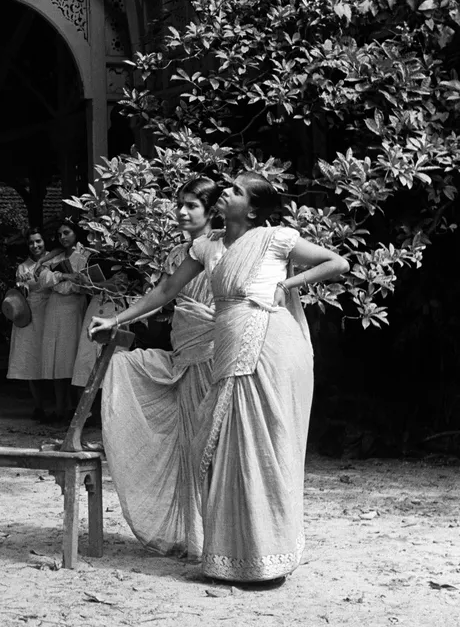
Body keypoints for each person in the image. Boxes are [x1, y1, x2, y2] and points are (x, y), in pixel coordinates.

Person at [92, 171, 349, 584]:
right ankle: (232, 556)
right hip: (229, 348)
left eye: (234, 191)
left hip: (271, 346)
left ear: (250, 208)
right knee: (219, 447)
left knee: (262, 442)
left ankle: (269, 557)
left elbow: (337, 262)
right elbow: (165, 291)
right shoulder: (206, 245)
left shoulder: (276, 237)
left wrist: (288, 283)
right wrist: (116, 318)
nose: (224, 193)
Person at [87, 177, 223, 557]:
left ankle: (226, 540)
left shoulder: (232, 247)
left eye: (191, 205)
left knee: (215, 449)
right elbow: (161, 295)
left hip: (219, 356)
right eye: (179, 203)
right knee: (191, 446)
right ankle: (198, 536)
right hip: (187, 357)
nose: (181, 211)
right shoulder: (180, 254)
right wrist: (116, 321)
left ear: (212, 211)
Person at [38, 220, 90, 421]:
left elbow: (81, 285)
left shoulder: (84, 255)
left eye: (66, 232)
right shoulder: (55, 256)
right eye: (59, 234)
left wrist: (57, 280)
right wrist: (65, 276)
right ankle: (60, 407)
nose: (63, 237)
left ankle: (77, 409)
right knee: (56, 358)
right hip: (54, 309)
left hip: (74, 308)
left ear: (75, 233)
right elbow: (43, 279)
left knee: (72, 355)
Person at [5, 228, 52, 420]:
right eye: (31, 242)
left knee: (53, 357)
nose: (35, 246)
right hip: (31, 313)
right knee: (31, 358)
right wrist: (22, 284)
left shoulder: (53, 260)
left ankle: (61, 404)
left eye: (38, 241)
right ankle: (38, 405)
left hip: (51, 310)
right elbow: (21, 295)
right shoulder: (23, 267)